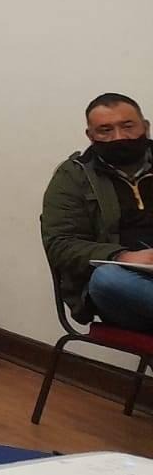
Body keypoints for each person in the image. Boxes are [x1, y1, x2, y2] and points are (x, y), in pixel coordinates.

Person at [40, 92, 153, 333]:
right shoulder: (72, 176)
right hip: (126, 284)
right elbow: (60, 244)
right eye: (105, 130)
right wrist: (122, 256)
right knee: (107, 279)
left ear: (145, 127)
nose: (119, 137)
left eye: (128, 126)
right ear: (90, 136)